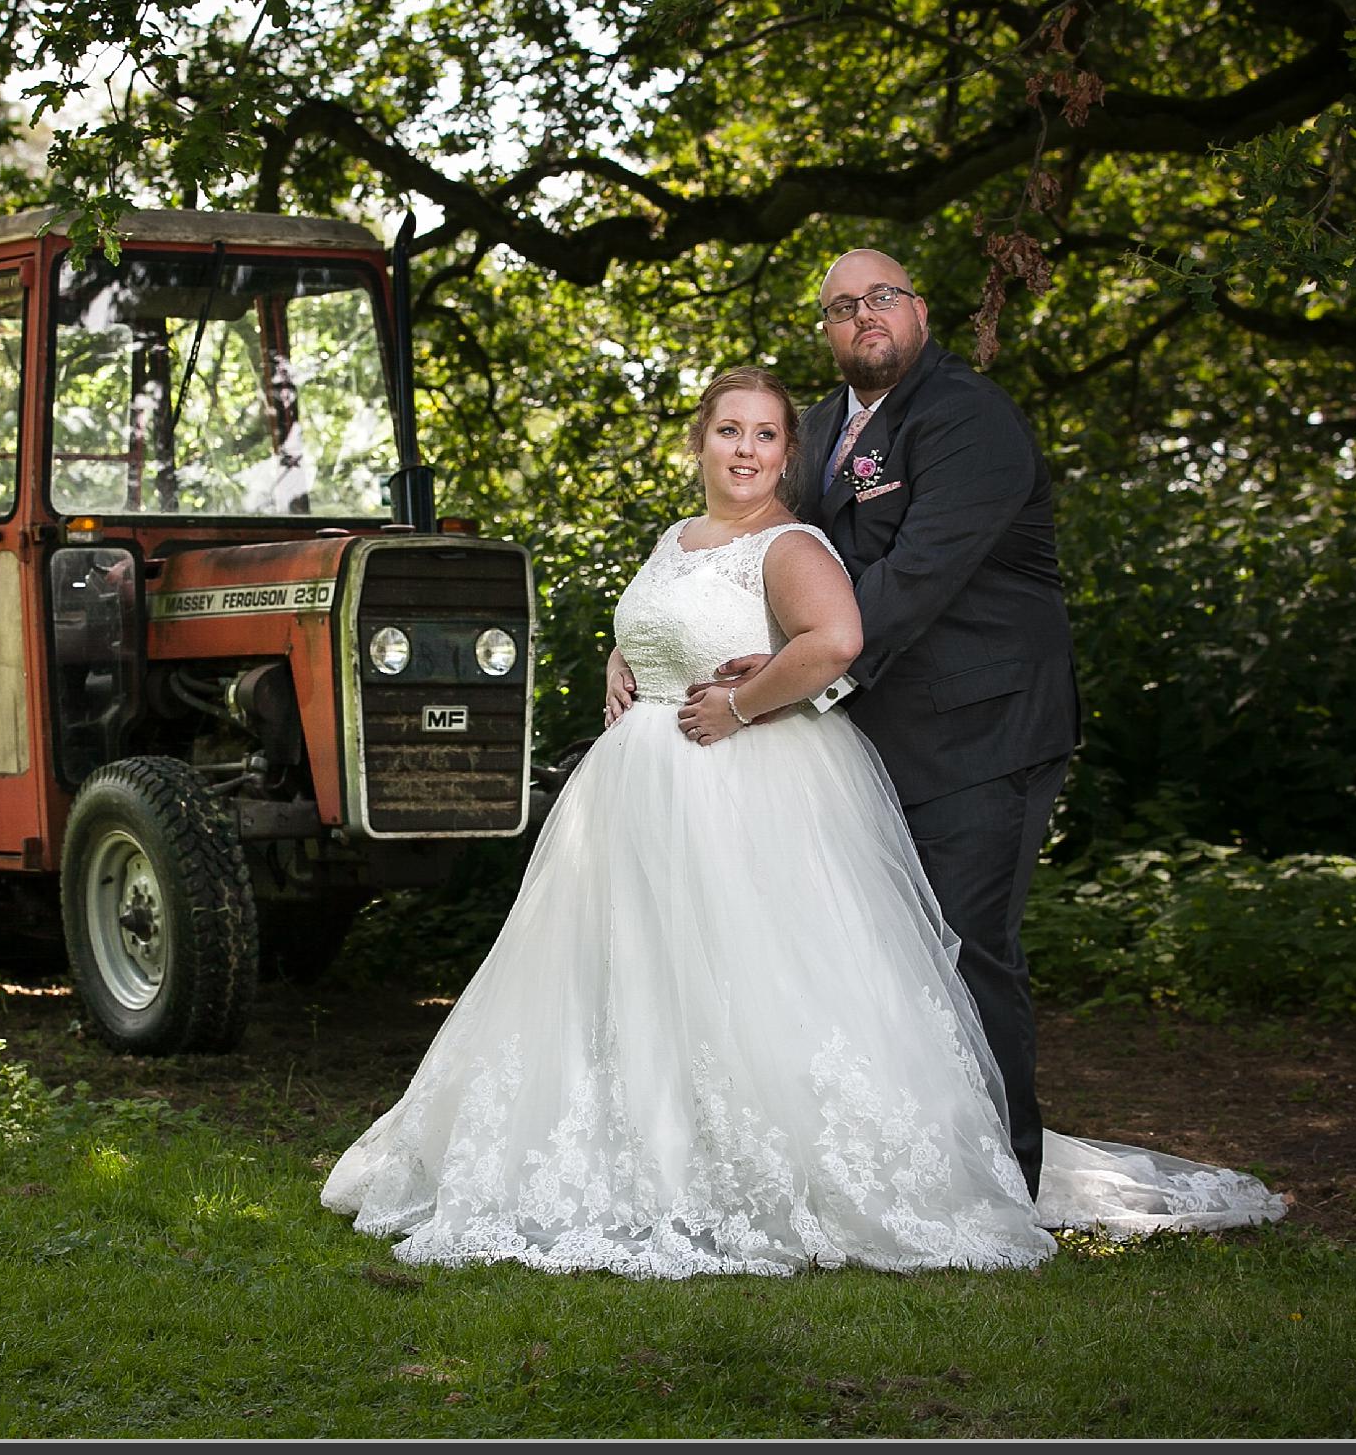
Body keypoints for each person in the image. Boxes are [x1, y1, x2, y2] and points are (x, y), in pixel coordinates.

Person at [320, 368, 1283, 1277]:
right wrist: (626, 665)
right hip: (637, 795)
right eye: (729, 431)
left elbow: (839, 640)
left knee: (747, 982)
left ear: (788, 456)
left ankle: (779, 1168)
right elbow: (655, 632)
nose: (745, 450)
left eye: (766, 436)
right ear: (699, 442)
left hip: (741, 784)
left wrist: (741, 706)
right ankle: (644, 1141)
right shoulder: (676, 536)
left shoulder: (790, 545)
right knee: (635, 981)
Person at [695, 249, 1078, 1201]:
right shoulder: (819, 428)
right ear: (824, 332)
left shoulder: (969, 417)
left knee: (965, 946)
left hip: (980, 735)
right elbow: (750, 549)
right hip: (863, 747)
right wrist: (653, 640)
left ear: (919, 307)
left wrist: (790, 676)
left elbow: (912, 581)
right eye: (839, 307)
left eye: (880, 297)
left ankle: (1004, 1186)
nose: (862, 315)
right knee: (876, 957)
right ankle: (911, 1174)